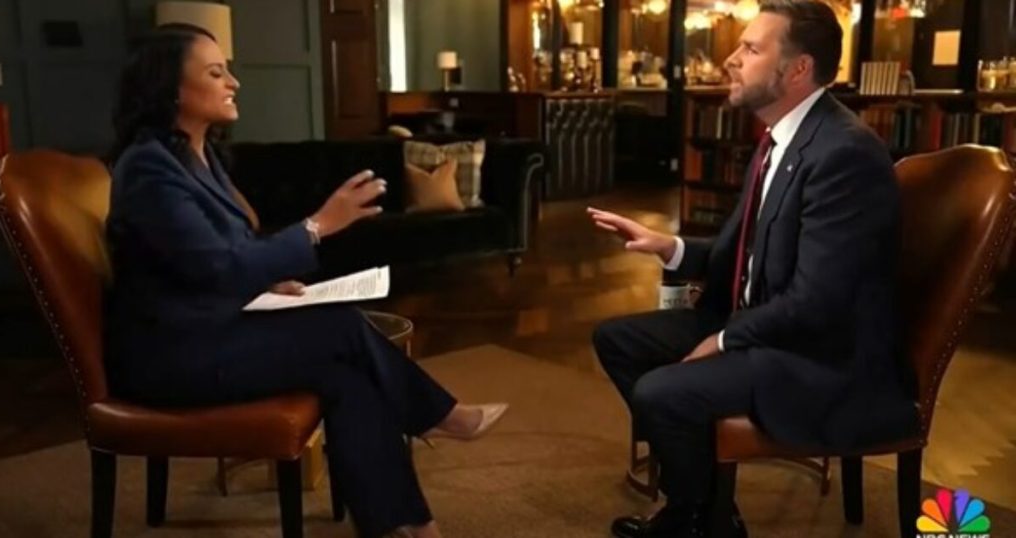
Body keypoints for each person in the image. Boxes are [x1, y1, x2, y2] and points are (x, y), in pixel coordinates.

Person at [104, 23, 507, 538]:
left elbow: (208, 259)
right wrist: (317, 226)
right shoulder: (148, 168)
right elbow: (219, 267)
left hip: (208, 329)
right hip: (171, 357)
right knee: (341, 328)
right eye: (216, 72)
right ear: (171, 88)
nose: (234, 82)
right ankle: (437, 414)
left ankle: (405, 525)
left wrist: (266, 285)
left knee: (346, 376)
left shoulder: (196, 156)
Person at [588, 2, 918, 536]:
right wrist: (669, 246)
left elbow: (817, 304)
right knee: (618, 341)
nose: (731, 60)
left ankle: (695, 515)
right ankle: (706, 508)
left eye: (751, 48)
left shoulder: (845, 153)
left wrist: (723, 340)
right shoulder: (779, 139)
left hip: (820, 356)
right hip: (769, 325)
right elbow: (747, 254)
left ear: (798, 69)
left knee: (660, 393)